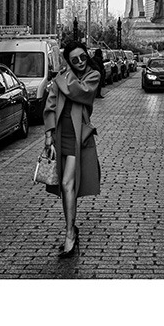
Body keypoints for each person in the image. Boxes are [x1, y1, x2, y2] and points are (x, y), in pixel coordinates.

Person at [43, 40, 101, 258]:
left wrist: (60, 78)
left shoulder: (92, 75)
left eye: (83, 57)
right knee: (65, 187)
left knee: (68, 184)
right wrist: (48, 135)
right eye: (74, 59)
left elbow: (79, 92)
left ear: (87, 56)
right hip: (60, 135)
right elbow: (49, 106)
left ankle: (69, 234)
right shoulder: (63, 76)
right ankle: (71, 228)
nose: (80, 62)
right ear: (69, 60)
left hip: (78, 137)